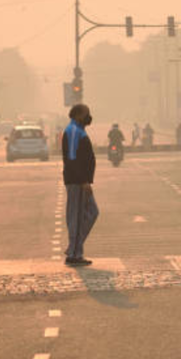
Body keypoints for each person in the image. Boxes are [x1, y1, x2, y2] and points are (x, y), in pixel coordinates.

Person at [62, 104, 99, 267]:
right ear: (77, 115)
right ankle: (75, 254)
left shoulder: (78, 130)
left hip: (81, 181)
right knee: (76, 217)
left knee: (92, 212)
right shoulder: (73, 131)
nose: (89, 117)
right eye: (86, 114)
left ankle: (73, 248)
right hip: (77, 181)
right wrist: (83, 180)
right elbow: (72, 159)